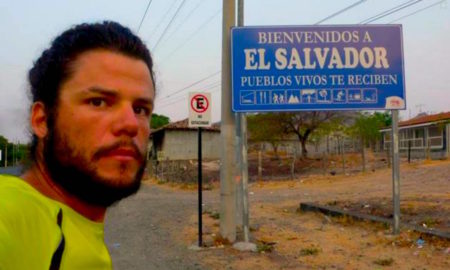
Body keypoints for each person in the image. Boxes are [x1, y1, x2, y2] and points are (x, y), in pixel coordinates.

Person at [0, 21, 155, 269]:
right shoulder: (11, 213)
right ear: (42, 120)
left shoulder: (80, 231)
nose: (130, 124)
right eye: (98, 102)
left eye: (140, 109)